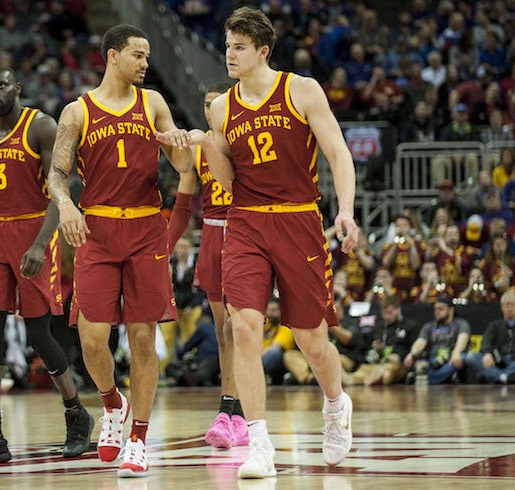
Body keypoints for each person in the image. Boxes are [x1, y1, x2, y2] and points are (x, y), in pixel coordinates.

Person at [185, 7, 359, 478]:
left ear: (263, 50)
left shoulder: (302, 89)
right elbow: (225, 176)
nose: (229, 55)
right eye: (227, 46)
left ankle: (335, 403)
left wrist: (344, 209)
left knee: (310, 340)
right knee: (243, 327)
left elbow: (339, 153)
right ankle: (259, 443)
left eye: (239, 47)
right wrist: (207, 145)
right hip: (245, 223)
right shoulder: (222, 107)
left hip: (299, 220)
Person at [48, 24, 193, 477]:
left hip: (147, 228)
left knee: (143, 338)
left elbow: (184, 166)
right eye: (138, 55)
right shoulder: (77, 112)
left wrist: (180, 145)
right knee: (92, 339)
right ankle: (113, 403)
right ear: (113, 56)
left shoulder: (153, 103)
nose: (145, 63)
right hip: (98, 230)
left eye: (147, 56)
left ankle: (138, 436)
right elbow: (56, 175)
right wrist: (67, 204)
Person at [0, 66, 93, 464]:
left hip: (33, 232)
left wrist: (40, 244)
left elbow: (58, 189)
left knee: (38, 334)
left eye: (1, 85)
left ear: (17, 88)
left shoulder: (41, 126)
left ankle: (76, 413)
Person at [167, 83, 249, 449]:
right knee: (221, 332)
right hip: (213, 235)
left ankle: (232, 409)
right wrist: (162, 252)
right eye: (206, 104)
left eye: (217, 104)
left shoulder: (242, 144)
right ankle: (234, 411)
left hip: (245, 231)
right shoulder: (197, 152)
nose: (210, 109)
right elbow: (183, 206)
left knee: (238, 327)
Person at [467, 291, 515, 384]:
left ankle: (497, 376)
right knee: (471, 356)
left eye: (512, 304)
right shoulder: (494, 325)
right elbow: (486, 342)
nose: (509, 307)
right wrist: (487, 353)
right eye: (506, 304)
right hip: (497, 362)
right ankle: (506, 377)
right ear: (502, 307)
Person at [404, 295, 470, 385]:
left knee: (462, 358)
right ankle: (446, 378)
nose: (437, 312)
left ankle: (425, 379)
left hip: (451, 359)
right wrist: (412, 354)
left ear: (451, 309)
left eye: (441, 309)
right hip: (433, 361)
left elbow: (463, 339)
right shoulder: (429, 326)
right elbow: (420, 342)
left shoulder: (461, 323)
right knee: (419, 363)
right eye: (435, 309)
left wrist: (456, 352)